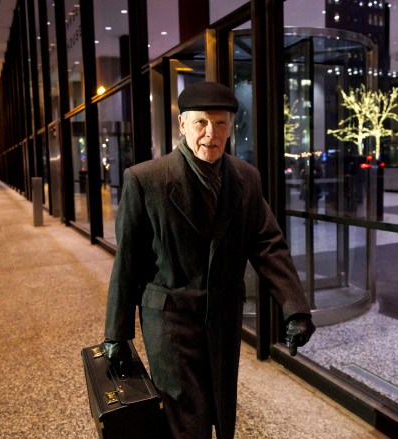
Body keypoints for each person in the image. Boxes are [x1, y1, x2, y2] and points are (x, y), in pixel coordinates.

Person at [103, 81, 316, 439]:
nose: (211, 134)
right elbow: (128, 262)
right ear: (182, 125)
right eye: (201, 123)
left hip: (222, 319)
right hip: (170, 322)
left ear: (231, 128)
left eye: (221, 124)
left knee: (220, 405)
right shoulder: (145, 180)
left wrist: (295, 308)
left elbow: (268, 243)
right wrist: (117, 334)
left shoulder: (245, 179)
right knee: (186, 418)